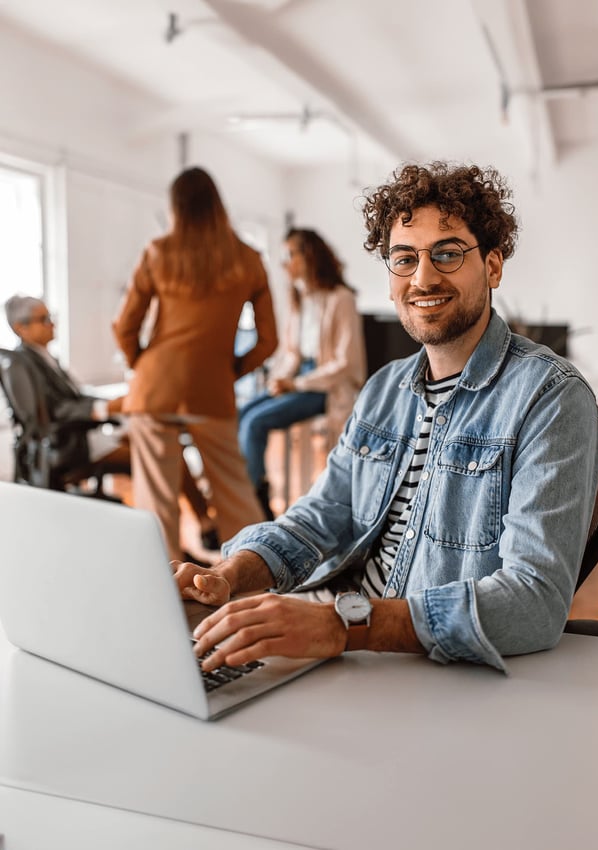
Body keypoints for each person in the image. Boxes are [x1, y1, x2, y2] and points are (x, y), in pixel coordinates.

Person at [176, 161, 598, 675]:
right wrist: (229, 575)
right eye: (404, 259)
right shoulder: (384, 389)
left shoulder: (551, 398)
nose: (423, 277)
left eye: (447, 254)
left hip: (419, 664)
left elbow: (534, 600)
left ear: (492, 267)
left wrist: (346, 626)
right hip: (334, 641)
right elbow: (324, 515)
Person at [112, 166, 278, 562]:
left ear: (176, 207)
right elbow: (269, 341)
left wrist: (143, 366)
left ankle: (163, 591)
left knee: (156, 502)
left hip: (155, 387)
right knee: (236, 492)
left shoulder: (158, 252)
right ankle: (252, 583)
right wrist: (229, 369)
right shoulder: (249, 259)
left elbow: (125, 326)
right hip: (212, 388)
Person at [4, 294, 219, 552]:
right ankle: (169, 545)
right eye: (44, 319)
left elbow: (73, 397)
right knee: (157, 454)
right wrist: (106, 408)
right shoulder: (22, 364)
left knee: (163, 442)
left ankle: (202, 522)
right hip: (69, 446)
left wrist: (114, 404)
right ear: (21, 328)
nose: (52, 324)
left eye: (51, 317)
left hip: (83, 435)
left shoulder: (41, 357)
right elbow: (52, 414)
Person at [238, 227, 367, 519]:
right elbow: (291, 353)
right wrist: (279, 381)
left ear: (309, 256)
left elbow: (345, 364)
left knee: (255, 422)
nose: (284, 262)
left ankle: (255, 503)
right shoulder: (299, 299)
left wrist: (295, 383)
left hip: (326, 387)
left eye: (289, 254)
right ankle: (249, 488)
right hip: (299, 380)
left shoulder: (341, 299)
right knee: (243, 411)